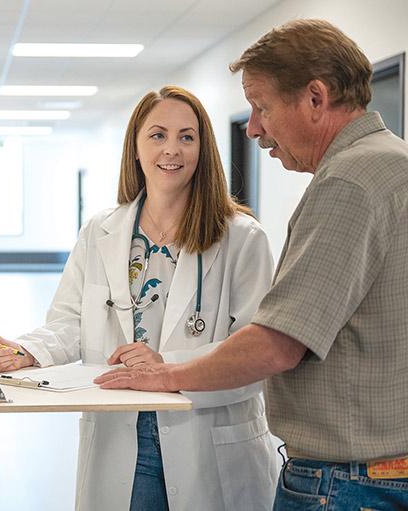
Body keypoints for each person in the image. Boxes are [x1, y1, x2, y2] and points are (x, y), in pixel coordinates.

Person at [94, 19, 408, 510]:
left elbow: (278, 344)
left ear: (315, 98)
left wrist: (164, 373)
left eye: (262, 106)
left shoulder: (348, 181)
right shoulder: (392, 162)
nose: (254, 126)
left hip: (348, 482)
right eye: (156, 136)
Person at [0, 86, 279, 511]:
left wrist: (168, 368)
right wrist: (28, 350)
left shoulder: (242, 238)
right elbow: (70, 321)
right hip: (122, 437)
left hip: (206, 434)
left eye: (186, 137)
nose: (171, 149)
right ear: (135, 148)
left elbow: (256, 353)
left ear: (203, 148)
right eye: (157, 135)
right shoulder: (101, 232)